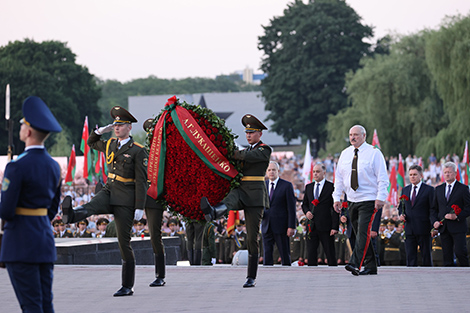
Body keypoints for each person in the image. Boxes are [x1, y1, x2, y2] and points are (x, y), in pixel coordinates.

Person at [62, 106, 148, 296]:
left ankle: (127, 285)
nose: (116, 128)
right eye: (115, 125)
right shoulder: (110, 144)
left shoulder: (138, 150)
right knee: (92, 205)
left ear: (129, 127)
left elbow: (142, 181)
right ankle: (71, 215)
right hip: (109, 189)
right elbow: (91, 143)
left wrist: (140, 207)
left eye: (120, 125)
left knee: (123, 242)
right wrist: (100, 131)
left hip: (126, 198)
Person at [0, 96, 62, 312]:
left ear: (27, 132)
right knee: (45, 304)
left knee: (31, 306)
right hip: (43, 241)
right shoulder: (54, 166)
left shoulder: (16, 167)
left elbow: (6, 210)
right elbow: (52, 208)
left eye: (23, 124)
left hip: (20, 244)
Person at [201, 114, 272, 287]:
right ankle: (215, 212)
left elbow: (247, 157)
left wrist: (231, 152)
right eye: (247, 132)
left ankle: (251, 276)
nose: (248, 135)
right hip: (241, 190)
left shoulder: (264, 149)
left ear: (259, 134)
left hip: (255, 196)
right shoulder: (245, 150)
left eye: (252, 132)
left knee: (252, 238)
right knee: (231, 199)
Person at [333, 125, 389, 276]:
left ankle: (355, 263)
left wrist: (381, 197)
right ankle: (371, 266)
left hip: (369, 199)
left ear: (364, 136)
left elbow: (382, 178)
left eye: (356, 135)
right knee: (359, 234)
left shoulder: (374, 153)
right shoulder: (345, 154)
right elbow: (338, 178)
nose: (353, 137)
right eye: (351, 134)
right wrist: (337, 197)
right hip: (351, 199)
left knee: (363, 232)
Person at [430, 162, 470, 266]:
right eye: (445, 172)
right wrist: (434, 221)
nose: (447, 174)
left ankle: (466, 273)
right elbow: (434, 209)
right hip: (444, 228)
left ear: (455, 173)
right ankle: (449, 276)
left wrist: (457, 216)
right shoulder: (438, 189)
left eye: (449, 172)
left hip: (458, 227)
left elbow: (468, 208)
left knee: (460, 252)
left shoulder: (463, 188)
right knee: (446, 255)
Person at [142, 117, 167, 286]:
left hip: (155, 198)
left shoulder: (165, 152)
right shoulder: (143, 151)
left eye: (154, 131)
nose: (152, 135)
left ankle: (160, 275)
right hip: (140, 196)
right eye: (150, 132)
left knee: (154, 236)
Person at [302, 163, 339, 266]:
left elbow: (335, 208)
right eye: (314, 172)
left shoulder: (331, 187)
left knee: (330, 253)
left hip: (326, 226)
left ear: (324, 173)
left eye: (317, 172)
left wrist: (335, 226)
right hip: (311, 226)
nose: (315, 174)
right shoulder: (309, 187)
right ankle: (311, 273)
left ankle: (333, 271)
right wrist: (307, 212)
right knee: (311, 253)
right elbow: (304, 204)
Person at [398, 165, 434, 266]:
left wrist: (433, 227)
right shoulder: (405, 190)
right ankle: (411, 277)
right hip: (409, 229)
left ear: (421, 175)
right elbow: (401, 206)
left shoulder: (429, 190)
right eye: (410, 175)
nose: (412, 177)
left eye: (415, 174)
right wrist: (401, 214)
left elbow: (433, 209)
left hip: (424, 229)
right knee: (410, 256)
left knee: (426, 256)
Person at [262, 161, 296, 266]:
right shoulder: (263, 185)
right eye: (269, 170)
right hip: (266, 225)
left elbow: (291, 208)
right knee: (267, 253)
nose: (271, 172)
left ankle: (287, 274)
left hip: (281, 226)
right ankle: (267, 273)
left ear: (278, 171)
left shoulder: (286, 186)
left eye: (273, 170)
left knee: (284, 253)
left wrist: (291, 226)